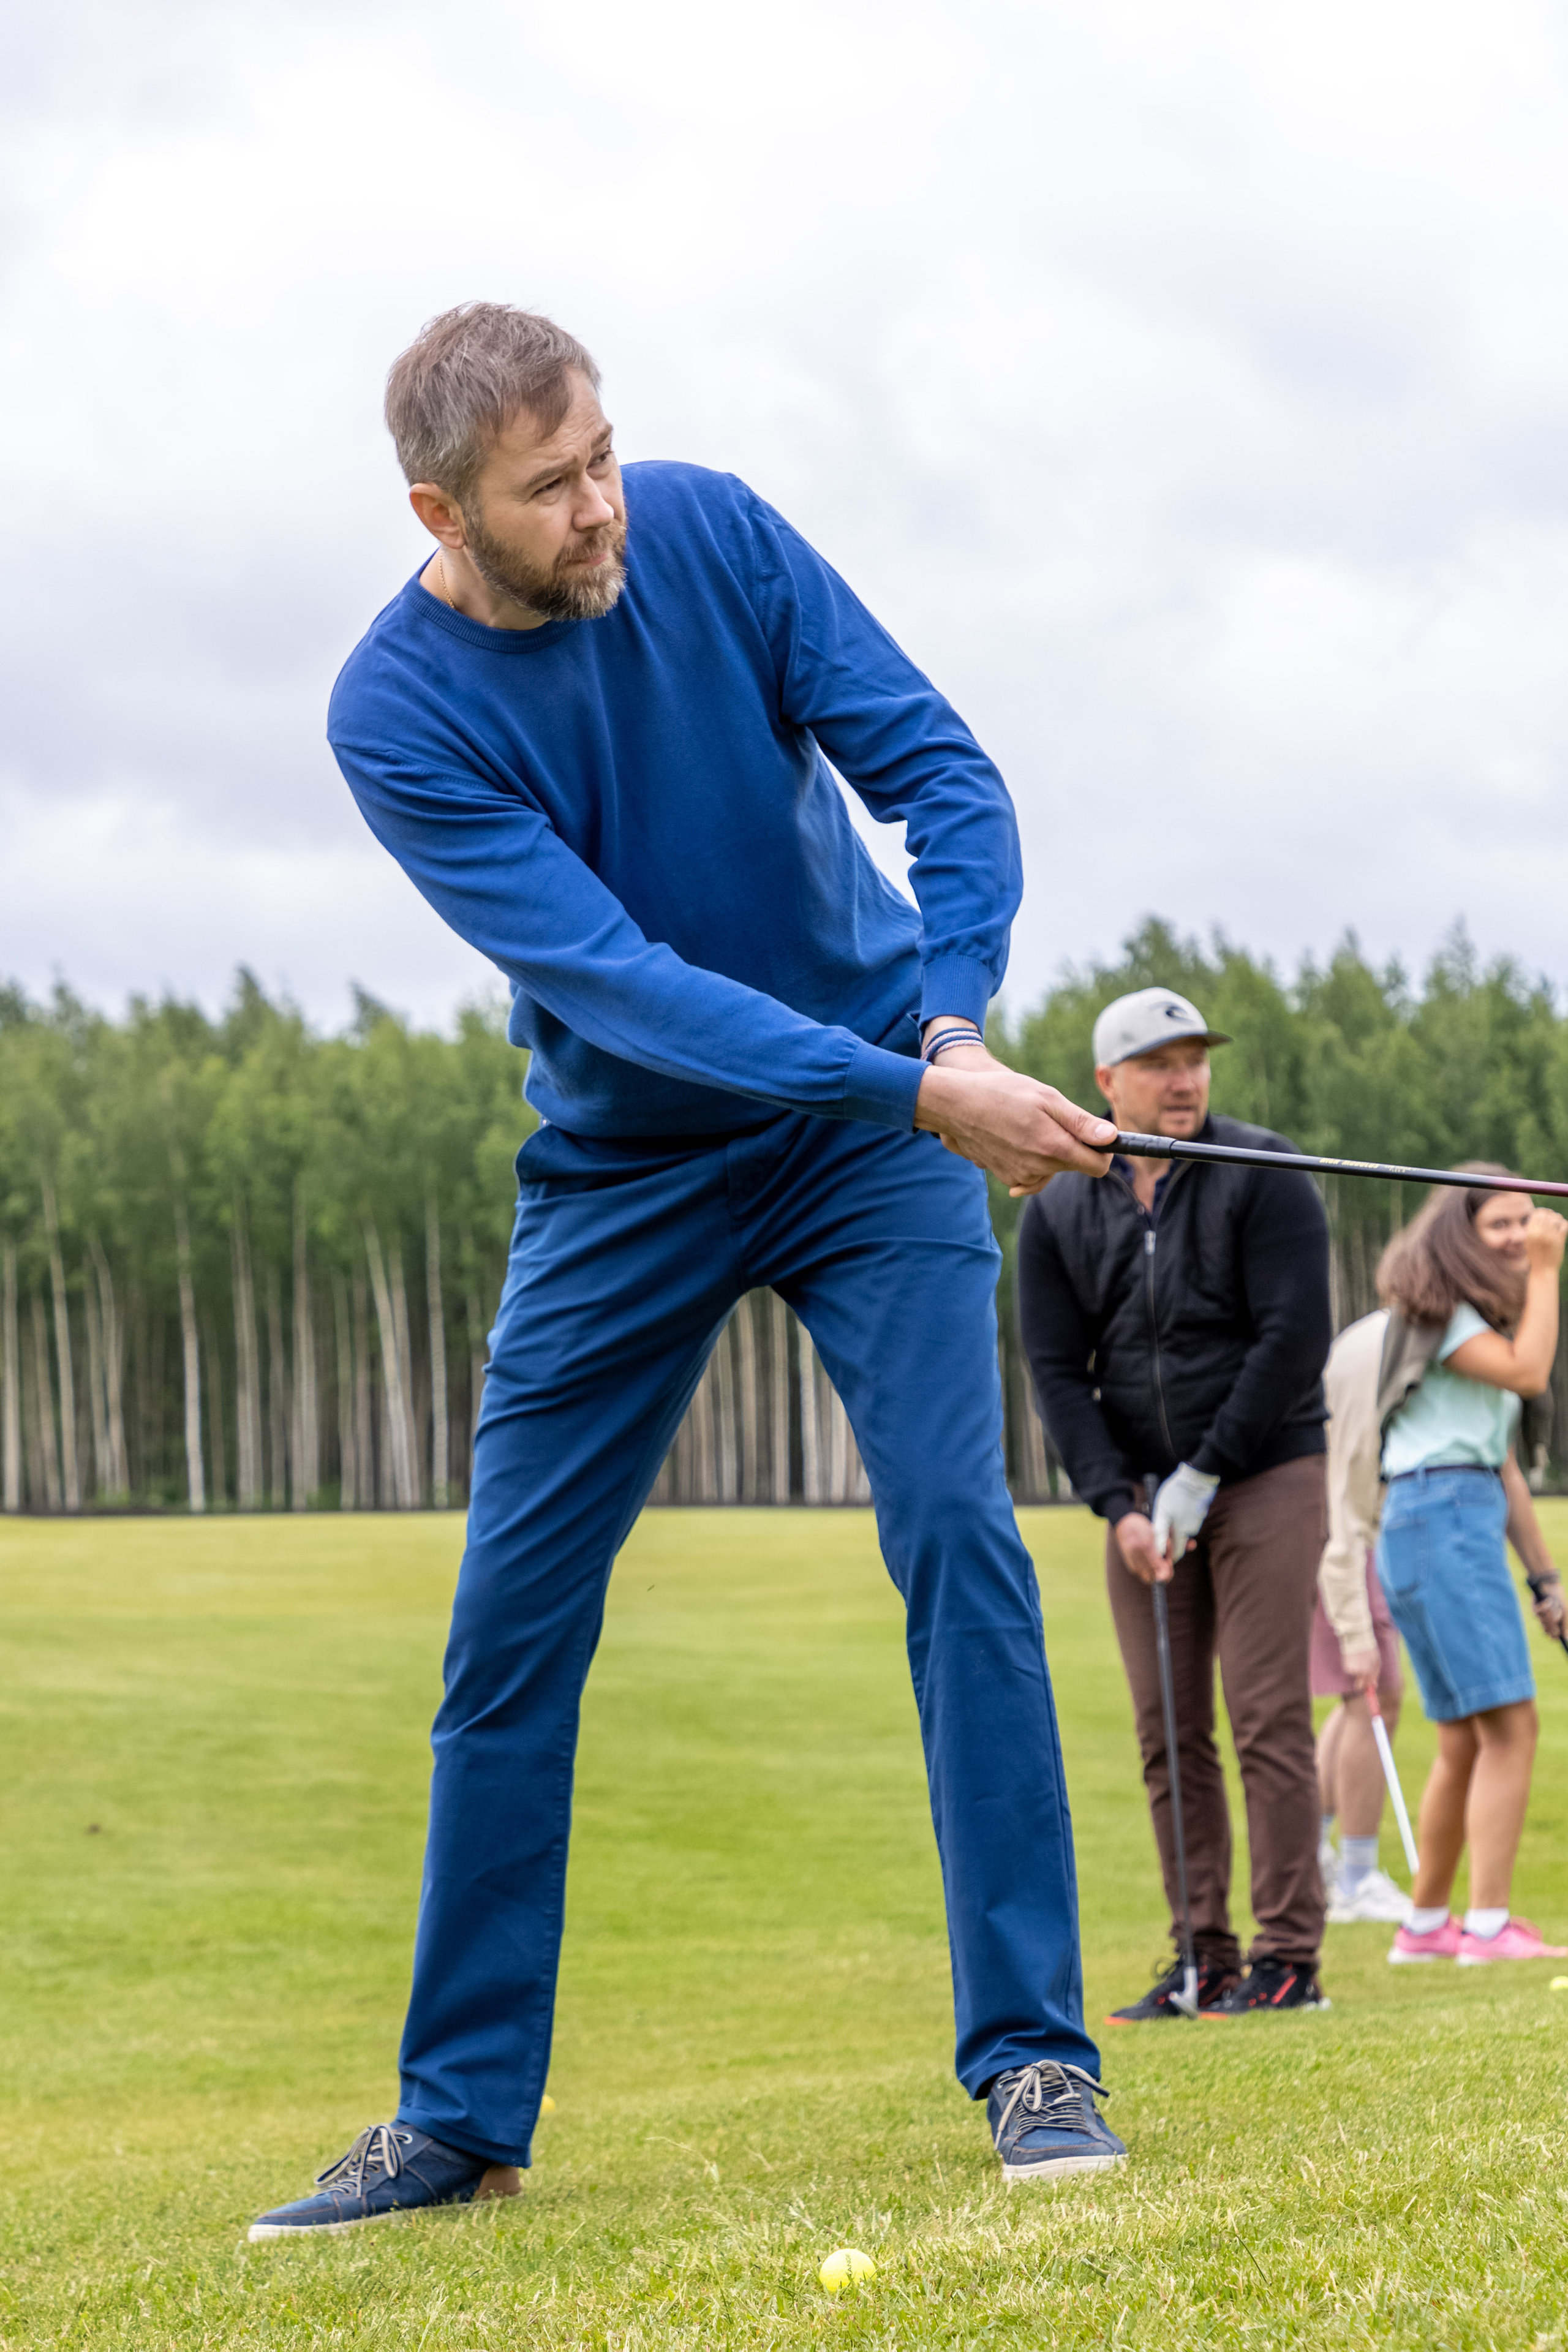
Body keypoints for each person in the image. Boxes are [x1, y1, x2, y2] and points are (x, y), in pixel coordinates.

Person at [249, 304, 1127, 2237]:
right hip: (627, 1168)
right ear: (440, 510)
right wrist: (920, 1086)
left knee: (956, 1544)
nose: (598, 508)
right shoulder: (392, 713)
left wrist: (954, 1025)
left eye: (602, 456)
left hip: (867, 1132)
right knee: (506, 1632)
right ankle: (457, 2113)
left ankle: (1035, 2052)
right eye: (548, 489)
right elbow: (629, 990)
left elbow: (942, 776)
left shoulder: (710, 530)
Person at [1017, 986, 1333, 2021]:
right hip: (1144, 1502)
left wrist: (1204, 1473)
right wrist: (1120, 1504)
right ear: (1107, 1083)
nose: (1184, 1079)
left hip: (1266, 1473)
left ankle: (1289, 1958)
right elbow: (1059, 1373)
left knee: (1266, 1715)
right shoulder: (1061, 1206)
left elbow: (1292, 1338)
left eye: (1195, 1058)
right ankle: (1202, 1955)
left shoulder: (1263, 1171)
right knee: (1167, 1731)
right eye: (1159, 1062)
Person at [1374, 1170, 1568, 1966]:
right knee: (1511, 1726)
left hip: (1441, 1515)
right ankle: (1487, 1927)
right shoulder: (1446, 1315)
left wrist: (1545, 1580)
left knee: (1462, 1736)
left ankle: (1424, 1927)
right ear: (1458, 1234)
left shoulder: (1467, 1322)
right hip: (1443, 1518)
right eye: (1500, 1224)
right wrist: (1551, 1269)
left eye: (1529, 1221)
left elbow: (1505, 1467)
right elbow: (1530, 1373)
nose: (1521, 1235)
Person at [1311, 1309, 1412, 1925]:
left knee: (1365, 1696)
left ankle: (1319, 1860)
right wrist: (1351, 1619)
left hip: (1346, 1530)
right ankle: (1354, 1875)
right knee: (1375, 1692)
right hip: (1341, 1533)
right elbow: (1346, 1475)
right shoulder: (1383, 1345)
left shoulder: (1389, 1334)